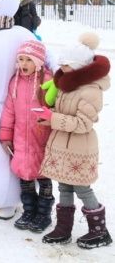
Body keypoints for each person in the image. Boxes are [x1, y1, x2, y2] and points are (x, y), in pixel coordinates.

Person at [35, 32, 112, 249]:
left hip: (79, 147)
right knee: (64, 187)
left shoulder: (90, 91)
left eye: (65, 64)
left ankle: (99, 231)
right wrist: (48, 116)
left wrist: (54, 118)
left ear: (78, 66)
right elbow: (61, 113)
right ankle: (63, 229)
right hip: (61, 144)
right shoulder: (67, 84)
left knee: (82, 188)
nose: (61, 68)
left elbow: (83, 124)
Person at [0, 40, 54, 232]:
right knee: (25, 177)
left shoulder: (47, 81)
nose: (23, 64)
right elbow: (9, 111)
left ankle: (44, 214)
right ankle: (29, 211)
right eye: (20, 59)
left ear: (38, 61)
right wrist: (6, 134)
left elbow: (54, 107)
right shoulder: (15, 82)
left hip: (43, 139)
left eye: (28, 60)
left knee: (44, 176)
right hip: (21, 139)